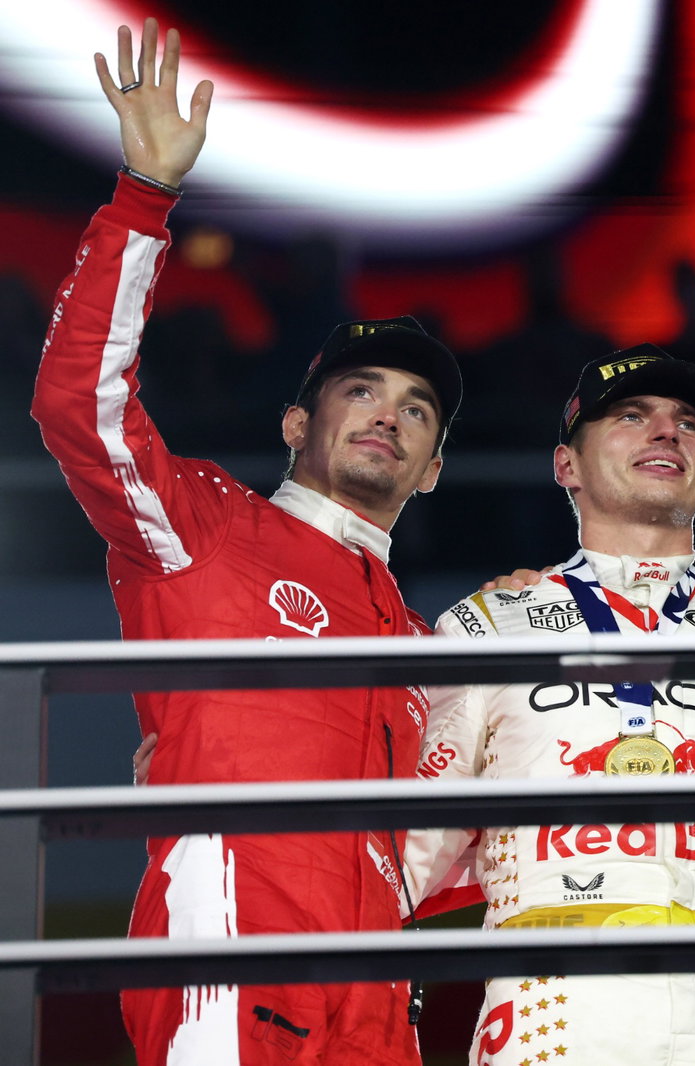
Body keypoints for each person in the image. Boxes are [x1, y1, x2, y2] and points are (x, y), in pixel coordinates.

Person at [32, 20, 460, 1066]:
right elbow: (79, 411)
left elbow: (456, 851)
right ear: (293, 424)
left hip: (381, 1005)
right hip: (232, 967)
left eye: (414, 410)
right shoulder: (206, 528)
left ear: (435, 465)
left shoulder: (418, 645)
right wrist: (143, 196)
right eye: (358, 391)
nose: (385, 416)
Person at [403, 345, 695, 1066]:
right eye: (630, 416)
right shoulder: (488, 625)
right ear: (566, 467)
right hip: (557, 1009)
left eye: (687, 424)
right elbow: (405, 853)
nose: (665, 432)